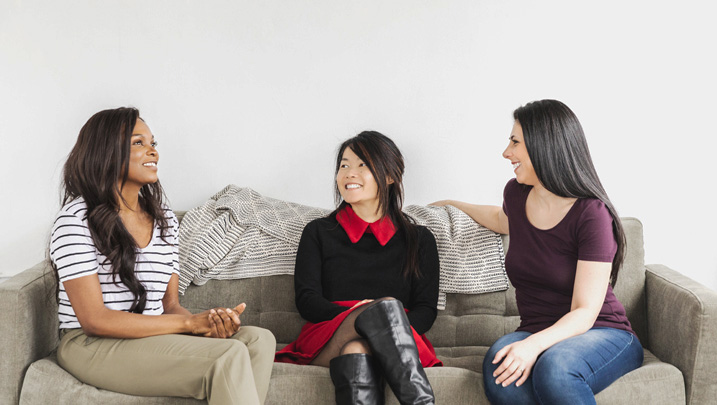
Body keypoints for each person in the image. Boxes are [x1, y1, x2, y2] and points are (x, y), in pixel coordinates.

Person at [49, 107, 275, 405]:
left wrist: (210, 325)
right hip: (90, 343)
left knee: (259, 340)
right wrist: (189, 324)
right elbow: (93, 319)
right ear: (106, 152)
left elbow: (170, 306)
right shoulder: (75, 220)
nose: (152, 151)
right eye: (138, 143)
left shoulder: (163, 218)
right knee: (229, 356)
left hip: (148, 338)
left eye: (153, 143)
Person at [432, 100, 643, 404]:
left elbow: (584, 312)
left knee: (555, 367)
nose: (507, 152)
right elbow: (500, 220)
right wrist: (451, 204)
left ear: (544, 146)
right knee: (500, 368)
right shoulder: (516, 195)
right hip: (536, 328)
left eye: (515, 142)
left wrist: (532, 346)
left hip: (602, 332)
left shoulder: (591, 214)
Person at [275, 131, 441, 405]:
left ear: (390, 176)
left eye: (363, 164)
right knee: (379, 312)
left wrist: (386, 327)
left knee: (358, 347)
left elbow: (426, 311)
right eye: (344, 165)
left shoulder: (419, 239)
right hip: (330, 334)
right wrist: (361, 317)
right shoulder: (318, 232)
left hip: (402, 341)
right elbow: (307, 301)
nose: (350, 173)